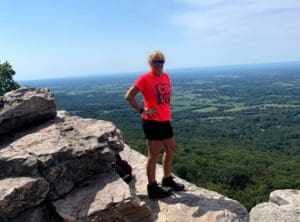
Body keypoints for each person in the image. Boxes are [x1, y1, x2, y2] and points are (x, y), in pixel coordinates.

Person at [125, 50, 184, 199]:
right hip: (151, 122)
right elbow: (129, 96)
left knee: (171, 149)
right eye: (156, 62)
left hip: (164, 120)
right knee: (153, 155)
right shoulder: (144, 79)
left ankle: (167, 179)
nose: (159, 64)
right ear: (150, 63)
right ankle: (152, 187)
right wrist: (142, 110)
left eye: (161, 61)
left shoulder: (165, 76)